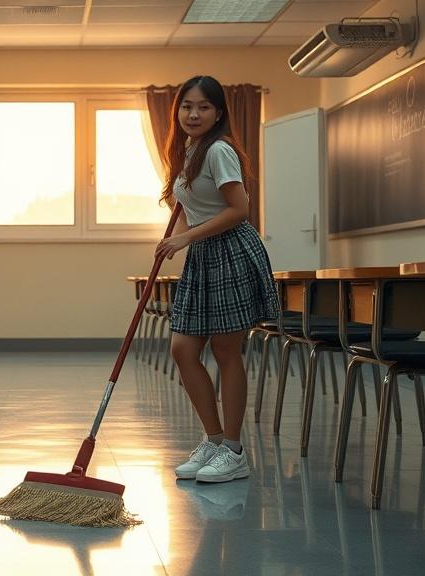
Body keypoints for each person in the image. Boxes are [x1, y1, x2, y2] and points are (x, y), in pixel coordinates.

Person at [154, 75, 279, 483]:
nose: (193, 113)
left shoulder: (219, 150)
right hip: (204, 256)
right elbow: (195, 206)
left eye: (203, 107)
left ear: (218, 113)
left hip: (231, 252)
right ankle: (213, 439)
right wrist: (184, 234)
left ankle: (234, 450)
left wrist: (185, 236)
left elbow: (239, 208)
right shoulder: (189, 150)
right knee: (183, 350)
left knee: (226, 351)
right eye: (187, 106)